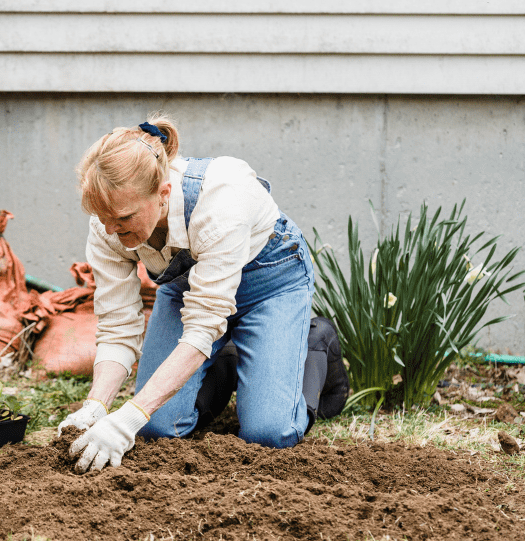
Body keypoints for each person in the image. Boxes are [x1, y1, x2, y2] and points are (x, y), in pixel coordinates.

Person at [58, 112, 347, 473]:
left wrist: (126, 418)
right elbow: (118, 326)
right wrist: (97, 407)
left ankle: (316, 345)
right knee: (156, 428)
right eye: (103, 218)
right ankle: (226, 362)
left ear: (162, 194)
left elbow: (201, 329)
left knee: (269, 433)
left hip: (270, 284)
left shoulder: (220, 202)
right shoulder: (109, 222)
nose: (112, 230)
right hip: (191, 292)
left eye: (124, 218)